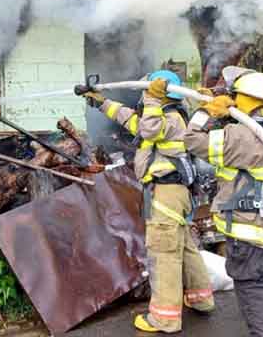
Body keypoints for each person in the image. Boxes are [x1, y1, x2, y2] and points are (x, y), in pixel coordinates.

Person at [76, 70, 215, 333]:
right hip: (175, 194)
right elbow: (131, 120)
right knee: (183, 246)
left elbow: (148, 128)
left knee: (164, 253)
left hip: (167, 193)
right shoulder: (166, 117)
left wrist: (151, 100)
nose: (143, 96)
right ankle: (201, 299)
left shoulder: (168, 120)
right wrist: (100, 102)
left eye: (148, 92)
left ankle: (165, 318)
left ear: (159, 94)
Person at [183, 67, 263, 337]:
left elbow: (191, 139)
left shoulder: (242, 136)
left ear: (244, 99)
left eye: (235, 95)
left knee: (260, 309)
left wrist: (205, 110)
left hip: (249, 238)